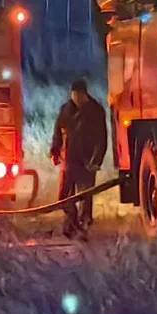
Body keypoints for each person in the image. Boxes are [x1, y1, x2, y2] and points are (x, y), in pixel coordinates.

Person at [49, 79, 107, 240]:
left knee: (85, 198)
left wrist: (96, 161)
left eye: (78, 95)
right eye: (73, 95)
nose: (75, 98)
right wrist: (54, 151)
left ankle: (83, 227)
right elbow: (58, 132)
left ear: (84, 94)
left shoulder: (95, 111)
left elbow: (101, 139)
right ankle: (72, 221)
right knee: (63, 197)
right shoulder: (66, 109)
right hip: (68, 160)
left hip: (86, 162)